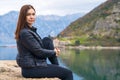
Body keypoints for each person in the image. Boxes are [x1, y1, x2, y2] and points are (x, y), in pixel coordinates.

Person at [15, 4, 73, 80]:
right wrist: (54, 52)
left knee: (47, 40)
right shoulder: (25, 33)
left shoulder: (30, 30)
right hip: (31, 69)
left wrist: (53, 53)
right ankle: (58, 69)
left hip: (35, 63)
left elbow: (38, 48)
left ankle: (57, 67)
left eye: (33, 14)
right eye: (28, 15)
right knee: (68, 73)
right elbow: (38, 52)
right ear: (23, 17)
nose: (31, 17)